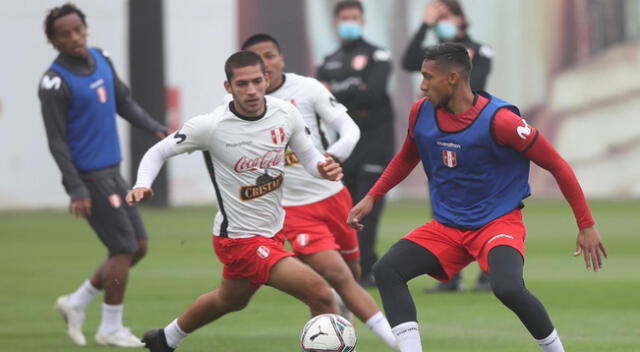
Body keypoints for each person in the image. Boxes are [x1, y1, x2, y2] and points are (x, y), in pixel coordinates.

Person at [347, 43, 607, 352]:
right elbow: (407, 156)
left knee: (507, 287)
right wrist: (372, 197)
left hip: (496, 223)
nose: (422, 85)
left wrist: (586, 224)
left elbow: (556, 163)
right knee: (386, 269)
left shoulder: (501, 120)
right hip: (446, 227)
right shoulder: (421, 112)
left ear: (454, 78)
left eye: (429, 76)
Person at [128, 51, 343, 352]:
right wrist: (142, 184)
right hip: (240, 240)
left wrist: (323, 167)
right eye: (242, 84)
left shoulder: (285, 113)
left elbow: (309, 157)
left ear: (267, 79)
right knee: (321, 295)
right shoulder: (211, 125)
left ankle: (165, 339)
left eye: (257, 81)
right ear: (228, 87)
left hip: (273, 231)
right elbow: (158, 151)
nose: (251, 90)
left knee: (231, 300)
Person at [242, 33, 397, 350]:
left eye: (270, 55)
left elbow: (349, 128)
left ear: (281, 58)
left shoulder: (307, 88)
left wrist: (333, 156)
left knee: (350, 277)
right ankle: (400, 344)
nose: (266, 64)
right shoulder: (242, 109)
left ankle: (343, 337)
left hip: (334, 197)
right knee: (337, 276)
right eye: (257, 59)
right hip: (294, 209)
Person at [39, 3, 168, 347]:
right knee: (123, 247)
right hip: (91, 178)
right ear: (53, 40)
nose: (74, 38)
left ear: (85, 29)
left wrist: (154, 127)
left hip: (114, 170)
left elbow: (123, 102)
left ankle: (76, 303)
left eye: (78, 30)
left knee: (137, 247)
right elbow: (57, 143)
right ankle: (110, 327)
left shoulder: (101, 58)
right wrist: (75, 187)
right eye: (65, 34)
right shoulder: (54, 82)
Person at [403, 0, 494, 293]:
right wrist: (425, 25)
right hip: (442, 136)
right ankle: (449, 275)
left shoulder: (479, 50)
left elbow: (474, 84)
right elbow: (407, 61)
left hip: (475, 133)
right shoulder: (433, 58)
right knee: (442, 201)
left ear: (460, 19)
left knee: (483, 203)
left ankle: (490, 272)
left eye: (447, 16)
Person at [317, 0, 395, 288]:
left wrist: (340, 90)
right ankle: (350, 267)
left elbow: (373, 93)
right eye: (344, 17)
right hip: (345, 145)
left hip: (376, 140)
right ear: (337, 22)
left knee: (369, 206)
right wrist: (353, 87)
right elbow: (323, 101)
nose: (350, 21)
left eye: (354, 16)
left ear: (362, 20)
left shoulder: (378, 54)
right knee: (343, 208)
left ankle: (367, 266)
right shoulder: (328, 60)